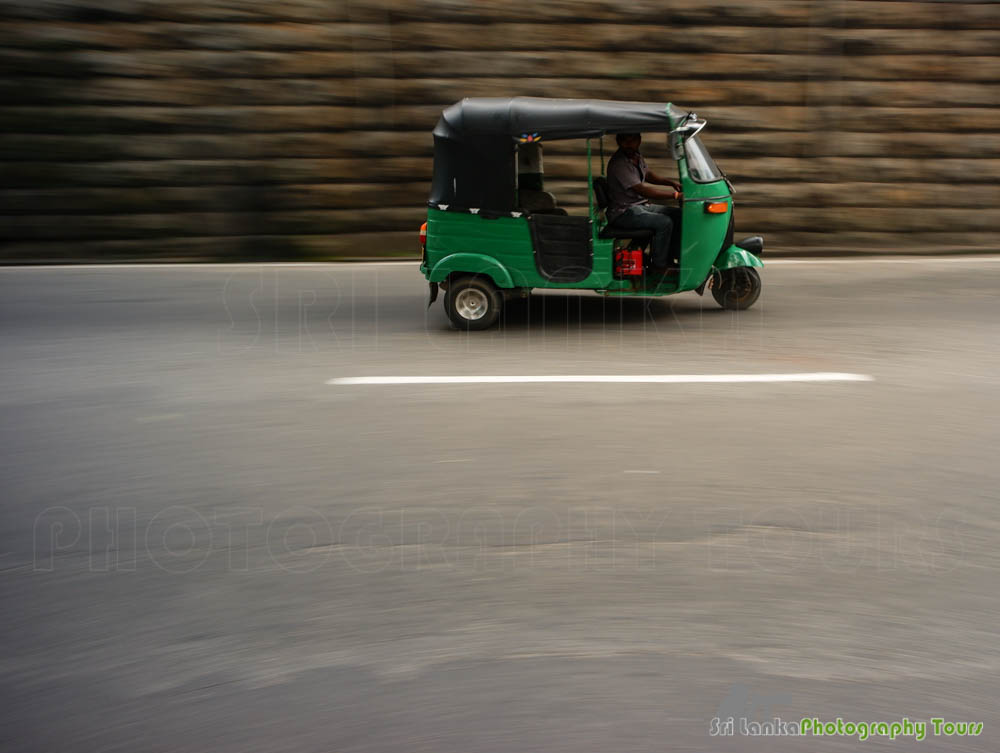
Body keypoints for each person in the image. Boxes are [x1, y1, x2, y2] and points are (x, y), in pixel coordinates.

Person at [605, 132, 683, 271]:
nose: (629, 144)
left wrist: (671, 182)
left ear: (639, 140)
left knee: (679, 215)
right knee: (664, 222)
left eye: (632, 139)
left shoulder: (636, 156)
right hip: (623, 213)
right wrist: (675, 195)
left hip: (639, 206)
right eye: (624, 140)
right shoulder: (619, 164)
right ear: (618, 141)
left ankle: (672, 256)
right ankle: (659, 265)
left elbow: (647, 174)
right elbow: (643, 190)